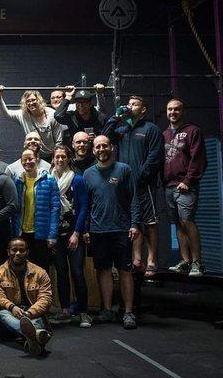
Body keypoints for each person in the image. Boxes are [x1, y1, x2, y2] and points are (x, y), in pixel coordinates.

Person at [103, 96, 164, 277]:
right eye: (129, 104)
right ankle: (137, 259)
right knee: (133, 223)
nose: (130, 106)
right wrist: (116, 116)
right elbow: (105, 137)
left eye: (135, 104)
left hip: (144, 185)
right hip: (126, 186)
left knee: (150, 223)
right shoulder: (123, 129)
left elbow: (155, 156)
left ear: (143, 109)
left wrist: (140, 177)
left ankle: (152, 260)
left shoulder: (151, 129)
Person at [83, 135, 140, 329]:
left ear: (112, 148)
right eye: (97, 147)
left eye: (104, 146)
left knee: (125, 271)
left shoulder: (124, 170)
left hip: (121, 229)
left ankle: (128, 312)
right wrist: (86, 229)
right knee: (103, 270)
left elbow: (134, 199)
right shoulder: (88, 174)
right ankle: (107, 310)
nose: (101, 149)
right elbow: (86, 204)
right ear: (93, 150)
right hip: (98, 231)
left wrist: (134, 224)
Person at [163, 98, 207, 277]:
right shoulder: (164, 134)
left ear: (183, 112)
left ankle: (197, 263)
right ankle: (185, 261)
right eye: (169, 109)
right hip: (169, 186)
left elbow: (198, 159)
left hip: (186, 186)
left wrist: (188, 181)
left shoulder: (193, 131)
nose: (172, 112)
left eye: (176, 109)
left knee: (187, 222)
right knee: (177, 225)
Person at [48, 146, 90, 327]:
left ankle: (83, 312)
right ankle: (64, 311)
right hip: (55, 235)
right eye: (57, 157)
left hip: (73, 234)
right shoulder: (48, 180)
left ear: (68, 158)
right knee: (61, 273)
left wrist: (77, 233)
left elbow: (83, 208)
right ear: (53, 159)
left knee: (78, 272)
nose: (60, 160)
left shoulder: (77, 180)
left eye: (63, 157)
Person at [0, 238, 52, 357]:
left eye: (22, 250)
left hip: (32, 314)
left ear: (27, 252)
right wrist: (12, 307)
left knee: (37, 320)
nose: (18, 253)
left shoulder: (40, 272)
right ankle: (36, 335)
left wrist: (29, 313)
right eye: (14, 250)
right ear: (8, 251)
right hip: (10, 313)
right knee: (2, 314)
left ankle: (30, 339)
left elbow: (45, 298)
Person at [11, 148, 60, 272]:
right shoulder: (17, 181)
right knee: (23, 271)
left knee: (42, 271)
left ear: (37, 159)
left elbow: (55, 208)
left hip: (41, 234)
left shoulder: (49, 180)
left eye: (30, 158)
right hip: (22, 234)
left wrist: (52, 234)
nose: (28, 162)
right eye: (24, 159)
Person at [0, 86, 62, 162]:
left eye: (33, 100)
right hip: (33, 155)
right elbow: (5, 114)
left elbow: (58, 141)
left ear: (39, 100)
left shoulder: (51, 114)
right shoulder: (23, 115)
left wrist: (55, 158)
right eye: (28, 101)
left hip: (51, 155)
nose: (31, 103)